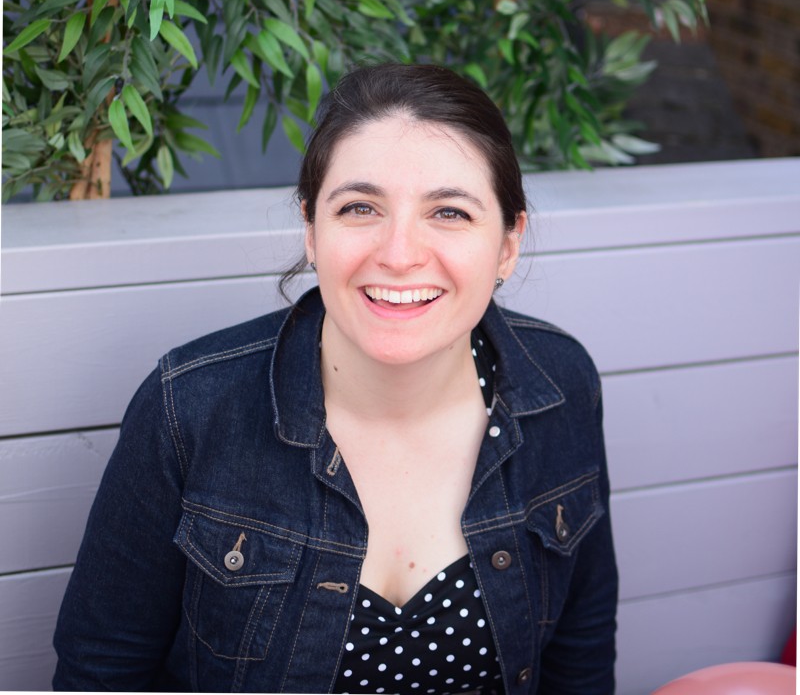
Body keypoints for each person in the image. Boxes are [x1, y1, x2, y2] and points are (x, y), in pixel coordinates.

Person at [53, 63, 617, 693]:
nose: (399, 254)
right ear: (312, 230)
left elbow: (580, 657)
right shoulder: (188, 406)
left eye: (450, 213)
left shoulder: (561, 385)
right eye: (359, 207)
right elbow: (100, 673)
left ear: (508, 244)